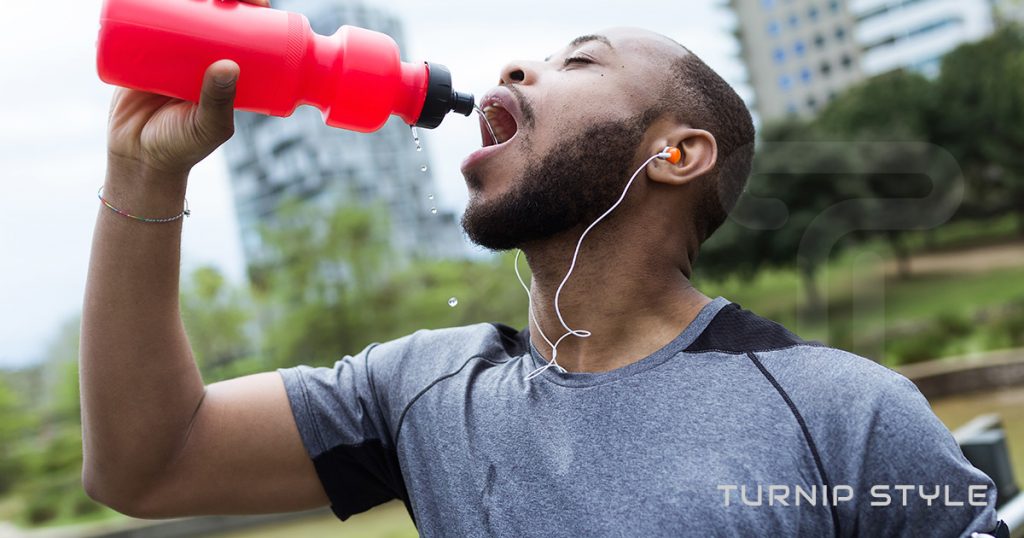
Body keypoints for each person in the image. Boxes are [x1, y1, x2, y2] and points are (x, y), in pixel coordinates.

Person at [80, 1, 1008, 536]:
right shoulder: (418, 392)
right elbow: (146, 464)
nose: (517, 69)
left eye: (579, 62)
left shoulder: (844, 413)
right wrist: (144, 171)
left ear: (676, 155)